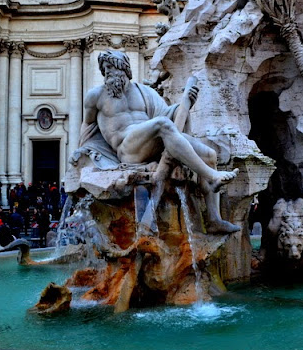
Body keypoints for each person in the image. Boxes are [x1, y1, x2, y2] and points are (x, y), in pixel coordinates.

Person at [70, 50, 240, 233]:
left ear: (125, 69)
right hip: (127, 149)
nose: (108, 72)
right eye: (105, 68)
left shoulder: (144, 92)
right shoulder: (95, 96)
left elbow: (168, 116)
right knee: (162, 124)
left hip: (150, 142)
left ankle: (214, 219)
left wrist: (185, 102)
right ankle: (212, 176)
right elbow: (88, 126)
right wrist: (82, 153)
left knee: (209, 154)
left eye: (112, 67)